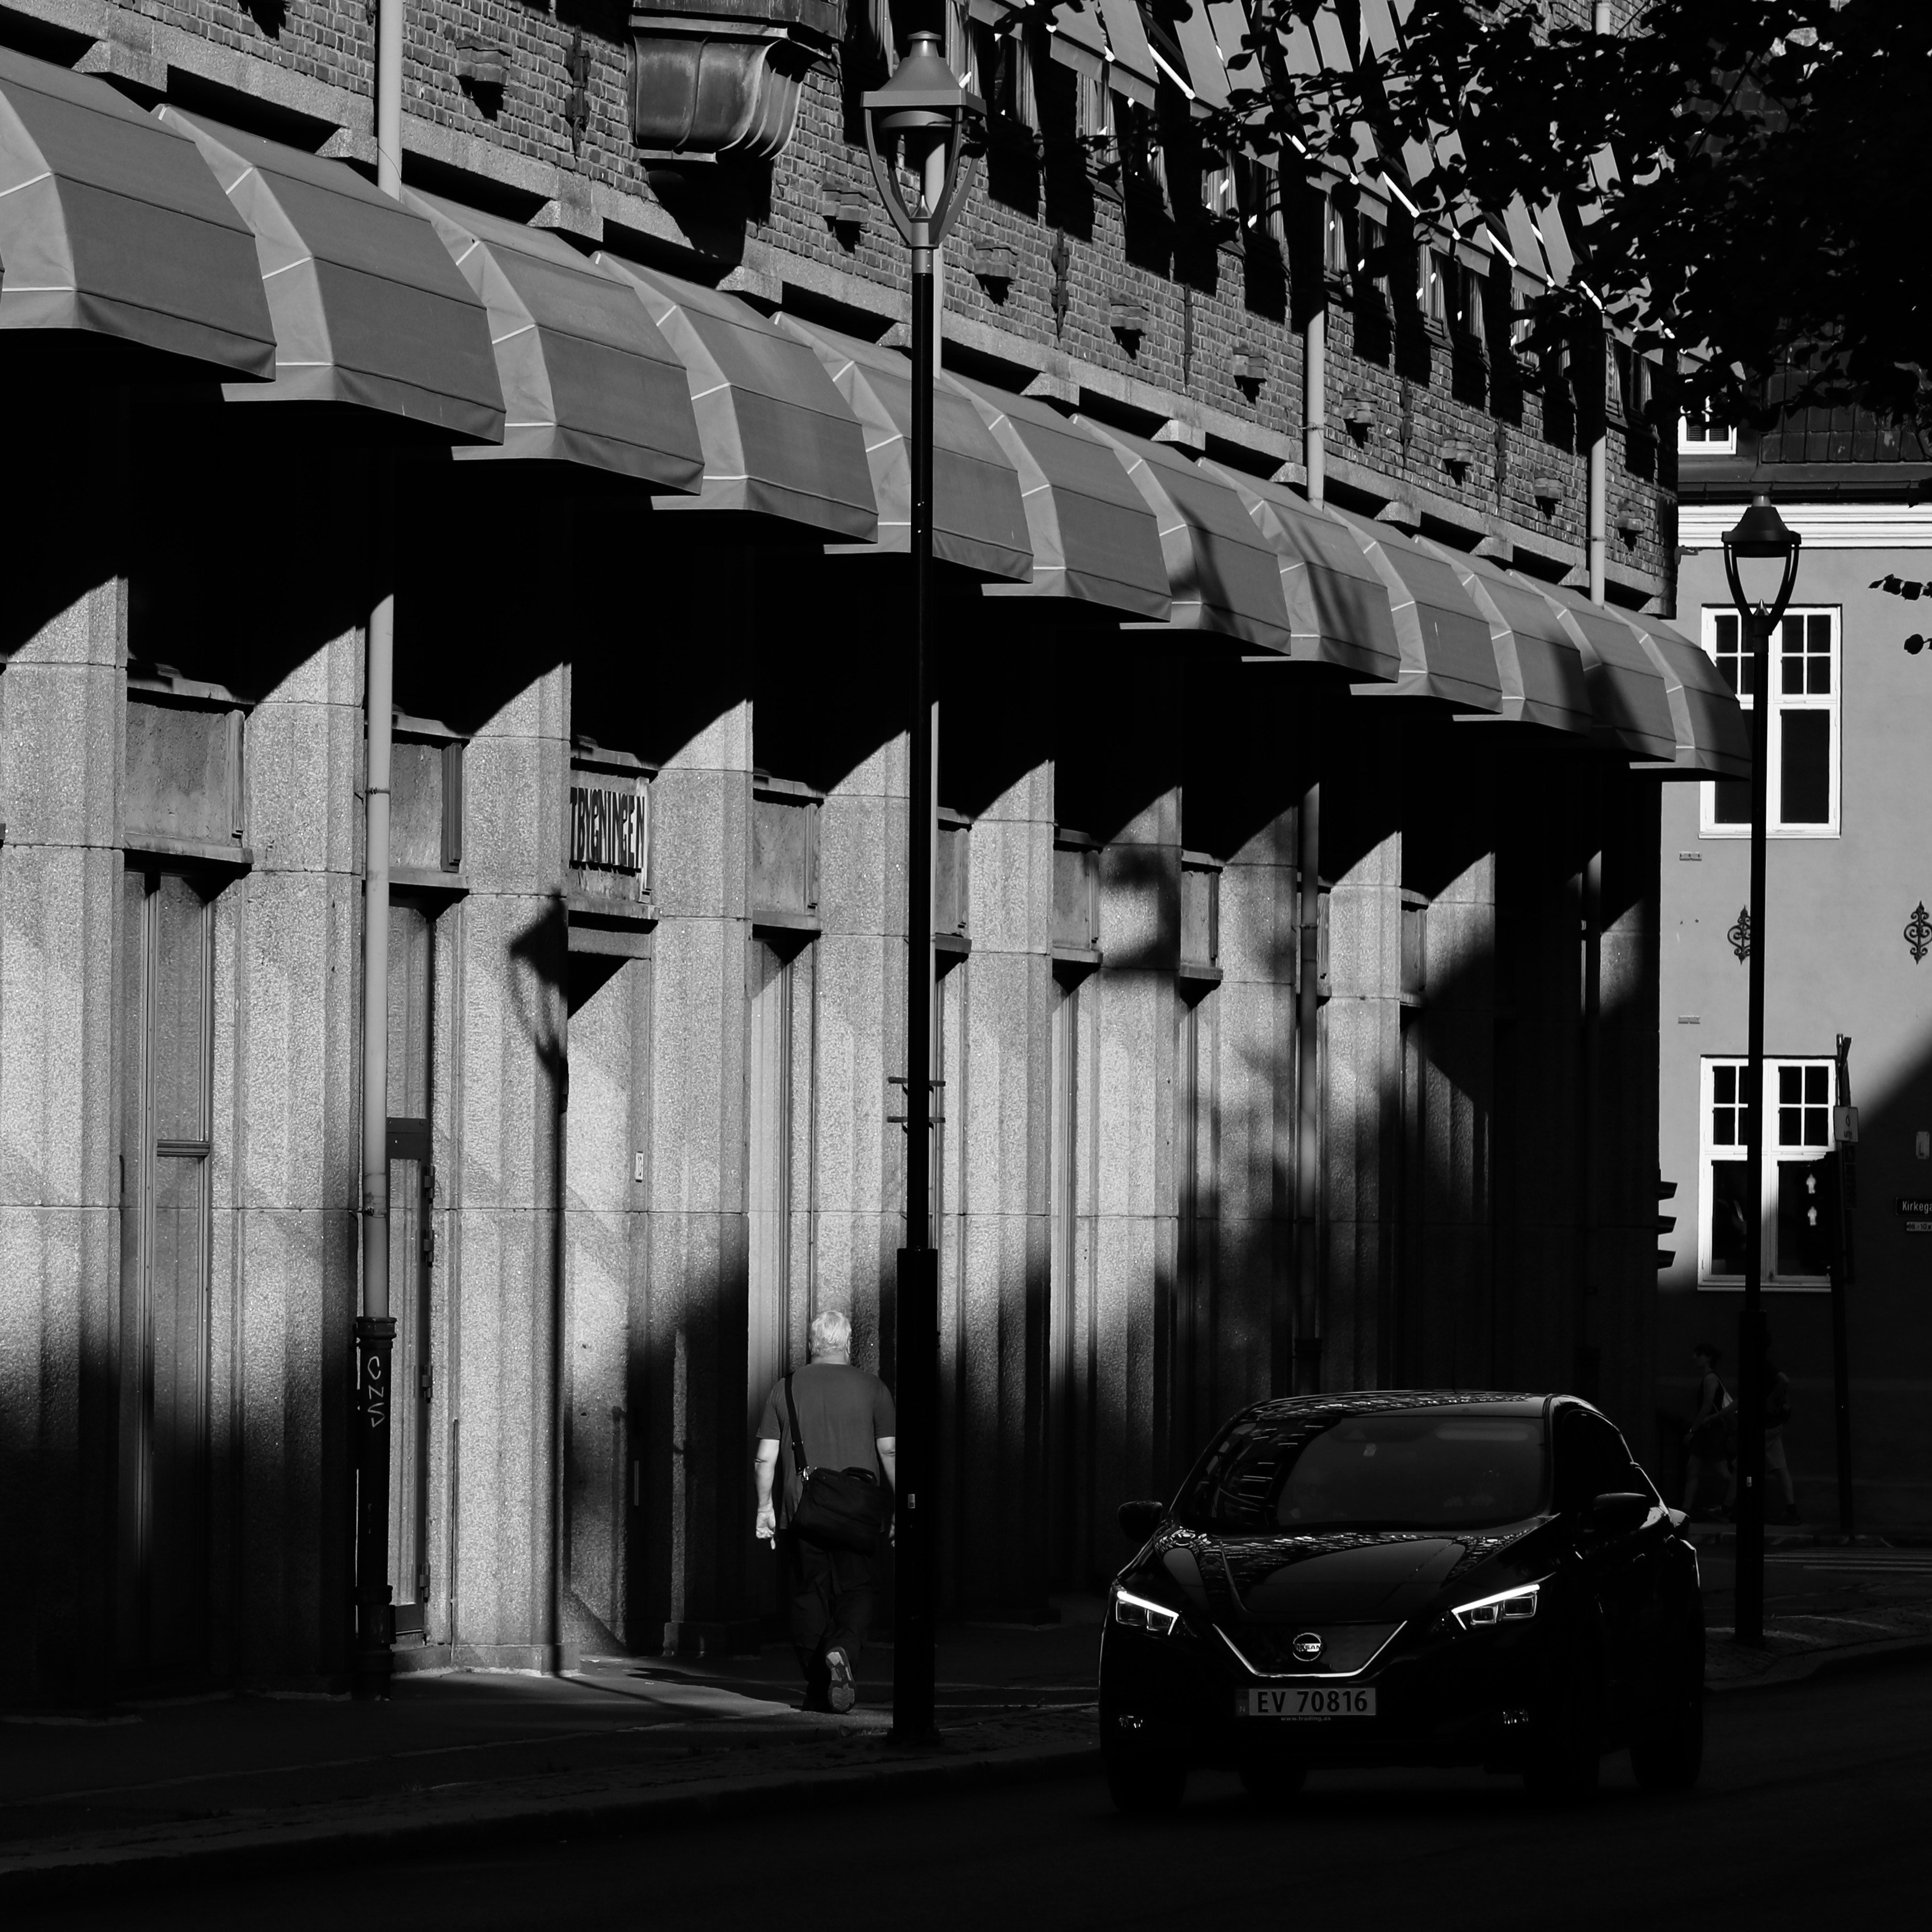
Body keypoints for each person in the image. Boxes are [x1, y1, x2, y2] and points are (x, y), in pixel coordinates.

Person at [754, 1308, 896, 1714]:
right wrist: (901, 1507)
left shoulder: (785, 1388)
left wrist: (764, 1508)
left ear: (811, 1345)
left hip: (803, 1510)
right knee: (858, 1590)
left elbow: (764, 1459)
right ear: (848, 1344)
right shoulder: (873, 1388)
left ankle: (819, 1689)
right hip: (858, 1512)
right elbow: (889, 1451)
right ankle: (843, 1649)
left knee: (808, 1595)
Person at [1682, 1342, 1735, 1519]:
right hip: (1707, 1432)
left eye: (1699, 1354)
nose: (1695, 1357)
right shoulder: (1710, 1378)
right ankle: (1686, 1511)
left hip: (1712, 1431)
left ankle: (1737, 1501)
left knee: (1722, 1472)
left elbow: (1706, 1407)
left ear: (1708, 1358)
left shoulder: (1711, 1378)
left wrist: (1693, 1430)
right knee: (1693, 1469)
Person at [1762, 1341, 1799, 1524]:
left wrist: (1769, 1400)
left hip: (1766, 1425)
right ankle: (1792, 1511)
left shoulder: (1762, 1364)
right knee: (1781, 1468)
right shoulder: (1765, 1364)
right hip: (1775, 1425)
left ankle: (1729, 1508)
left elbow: (1784, 1380)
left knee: (1742, 1467)